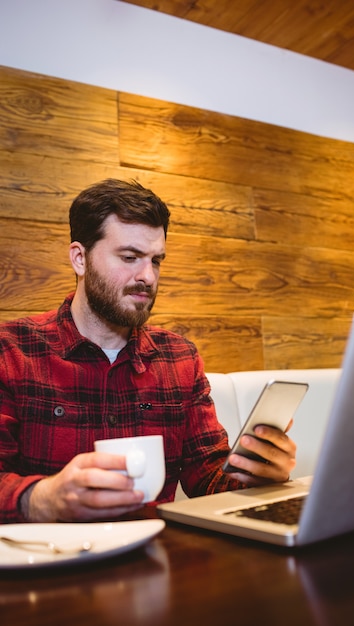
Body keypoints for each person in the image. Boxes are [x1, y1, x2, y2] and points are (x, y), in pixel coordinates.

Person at [0, 179, 296, 523]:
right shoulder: (12, 351)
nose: (148, 276)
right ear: (80, 259)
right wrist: (43, 498)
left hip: (154, 558)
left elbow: (210, 477)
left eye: (156, 261)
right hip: (51, 565)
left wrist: (258, 472)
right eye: (130, 257)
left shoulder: (179, 358)